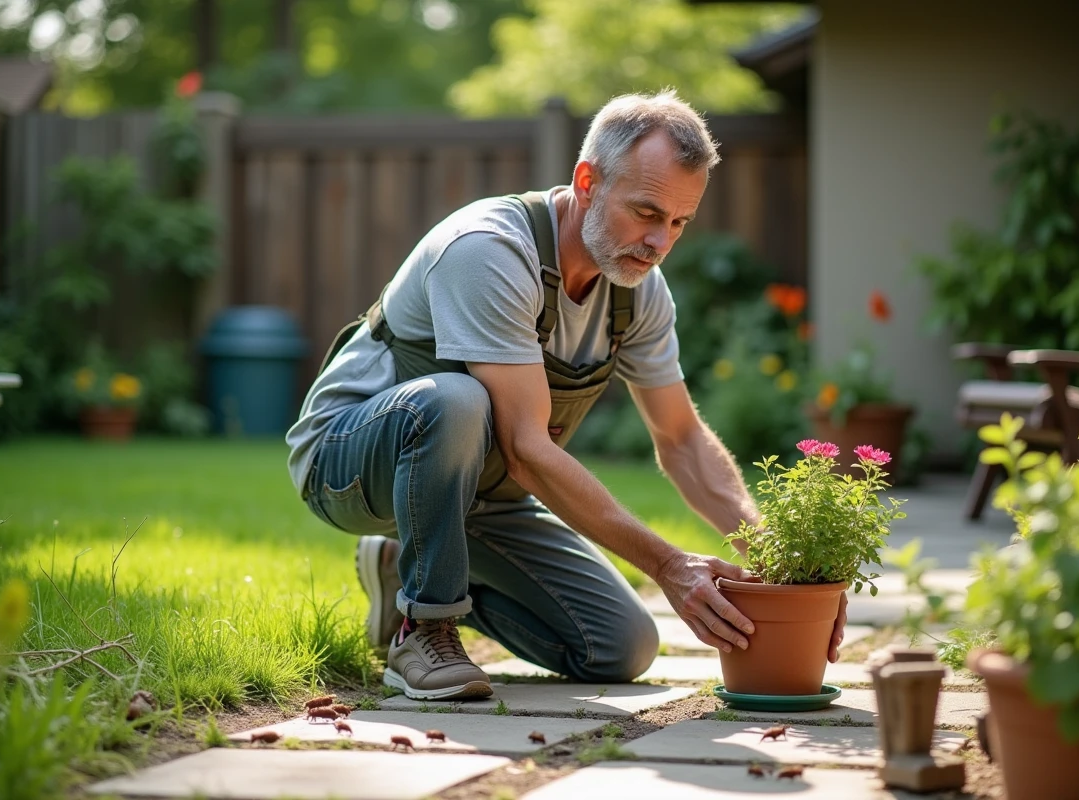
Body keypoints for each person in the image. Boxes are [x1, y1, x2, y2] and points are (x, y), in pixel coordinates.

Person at [286, 89, 847, 701]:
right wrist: (666, 564)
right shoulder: (490, 250)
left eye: (679, 222)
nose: (660, 242)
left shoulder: (638, 292)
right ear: (587, 180)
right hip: (348, 464)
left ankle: (404, 565)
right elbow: (526, 447)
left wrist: (783, 562)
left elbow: (681, 439)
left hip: (481, 496)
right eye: (646, 212)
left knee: (619, 647)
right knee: (456, 400)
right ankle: (424, 627)